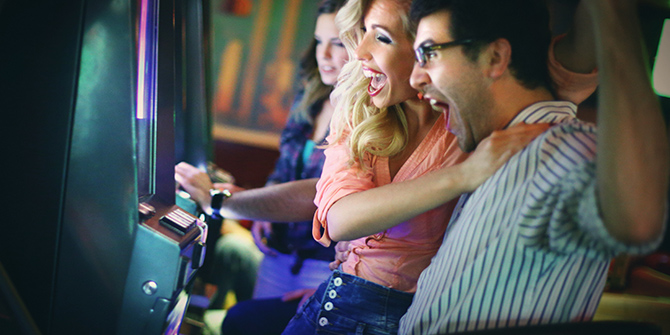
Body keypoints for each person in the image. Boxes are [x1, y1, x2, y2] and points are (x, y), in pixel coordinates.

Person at [281, 0, 598, 333]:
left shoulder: (475, 104)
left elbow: (583, 49)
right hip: (339, 303)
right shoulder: (359, 107)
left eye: (382, 37)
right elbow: (339, 219)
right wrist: (463, 175)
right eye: (363, 33)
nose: (359, 51)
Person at [399, 0, 669, 333]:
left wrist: (611, 11)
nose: (415, 78)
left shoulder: (557, 150)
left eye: (429, 53)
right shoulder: (501, 153)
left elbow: (636, 222)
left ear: (495, 58)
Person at [177, 0, 349, 332]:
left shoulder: (370, 113)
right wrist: (264, 210)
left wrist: (226, 201)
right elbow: (284, 170)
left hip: (325, 264)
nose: (324, 54)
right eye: (319, 41)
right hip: (278, 252)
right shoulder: (310, 96)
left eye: (338, 43)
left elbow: (321, 194)